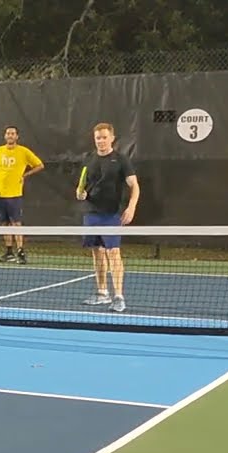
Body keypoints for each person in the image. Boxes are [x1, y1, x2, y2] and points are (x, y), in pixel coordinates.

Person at [76, 122, 139, 312]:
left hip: (112, 214)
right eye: (98, 138)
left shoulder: (121, 160)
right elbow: (82, 186)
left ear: (112, 138)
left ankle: (119, 296)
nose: (101, 141)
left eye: (104, 137)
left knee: (113, 252)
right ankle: (102, 293)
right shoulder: (88, 159)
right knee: (97, 252)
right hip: (91, 213)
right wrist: (80, 194)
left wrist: (131, 207)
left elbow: (134, 186)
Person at [0, 126, 43, 264]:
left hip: (15, 195)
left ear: (17, 137)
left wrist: (25, 175)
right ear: (5, 136)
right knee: (4, 224)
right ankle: (9, 252)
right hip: (0, 195)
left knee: (16, 223)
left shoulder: (23, 152)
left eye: (12, 133)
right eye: (8, 133)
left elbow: (40, 165)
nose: (10, 135)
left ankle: (21, 252)